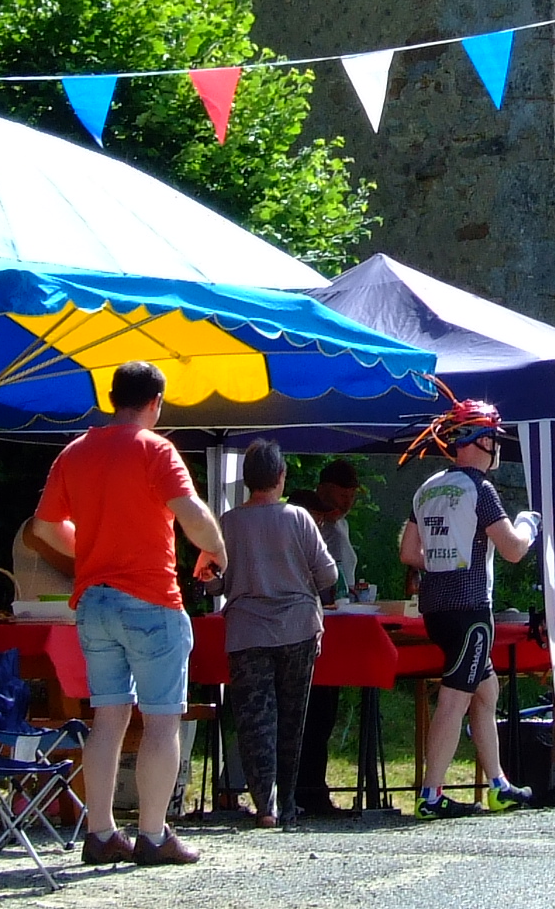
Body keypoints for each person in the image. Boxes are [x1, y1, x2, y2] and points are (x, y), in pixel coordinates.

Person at [33, 361, 227, 867]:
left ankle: (99, 833)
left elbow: (44, 527)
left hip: (94, 600)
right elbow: (191, 513)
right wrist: (215, 550)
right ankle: (153, 834)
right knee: (162, 720)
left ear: (111, 397)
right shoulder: (155, 449)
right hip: (150, 598)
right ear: (156, 403)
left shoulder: (74, 452)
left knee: (108, 717)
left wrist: (91, 550)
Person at [400, 400, 538, 816]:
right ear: (481, 441)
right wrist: (529, 524)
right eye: (495, 438)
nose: (498, 446)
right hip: (471, 608)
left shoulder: (428, 487)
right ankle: (430, 795)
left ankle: (497, 783)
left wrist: (442, 561)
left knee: (485, 690)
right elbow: (513, 549)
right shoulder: (481, 489)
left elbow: (409, 552)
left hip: (435, 607)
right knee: (455, 698)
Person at [214, 440, 337, 828]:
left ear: (246, 479)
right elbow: (328, 573)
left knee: (255, 721)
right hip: (297, 627)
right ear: (281, 476)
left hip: (246, 631)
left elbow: (215, 583)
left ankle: (263, 805)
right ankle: (287, 803)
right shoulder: (298, 517)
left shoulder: (228, 523)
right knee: (291, 719)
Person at [292, 459, 364, 816]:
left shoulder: (342, 527)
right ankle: (302, 791)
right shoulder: (304, 527)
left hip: (332, 626)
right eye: (340, 496)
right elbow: (324, 576)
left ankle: (310, 789)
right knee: (309, 715)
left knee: (322, 715)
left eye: (351, 496)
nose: (346, 503)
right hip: (306, 627)